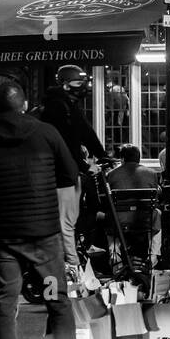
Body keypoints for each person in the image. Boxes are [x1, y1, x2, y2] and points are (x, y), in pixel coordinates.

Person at [0, 78, 90, 339]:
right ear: (23, 105)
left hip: (4, 237)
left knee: (5, 303)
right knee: (55, 298)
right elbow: (69, 172)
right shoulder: (46, 132)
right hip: (44, 238)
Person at [38, 65, 109, 273]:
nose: (83, 88)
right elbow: (68, 139)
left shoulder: (68, 104)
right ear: (65, 84)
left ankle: (70, 260)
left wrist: (101, 153)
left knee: (70, 219)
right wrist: (85, 165)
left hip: (69, 171)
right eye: (78, 84)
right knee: (66, 221)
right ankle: (72, 265)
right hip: (62, 174)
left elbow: (84, 130)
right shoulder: (57, 107)